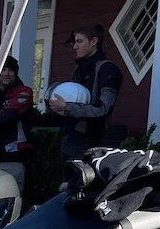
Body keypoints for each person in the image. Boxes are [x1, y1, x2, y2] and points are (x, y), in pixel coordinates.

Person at [48, 22, 123, 160]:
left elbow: (103, 109)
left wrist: (66, 107)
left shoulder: (108, 70)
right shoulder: (80, 68)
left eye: (79, 41)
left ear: (94, 41)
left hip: (93, 142)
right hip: (70, 137)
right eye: (75, 42)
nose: (75, 46)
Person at [0, 55, 35, 165]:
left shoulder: (24, 92)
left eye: (10, 70)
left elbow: (6, 115)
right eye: (3, 70)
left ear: (15, 73)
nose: (6, 73)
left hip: (14, 155)